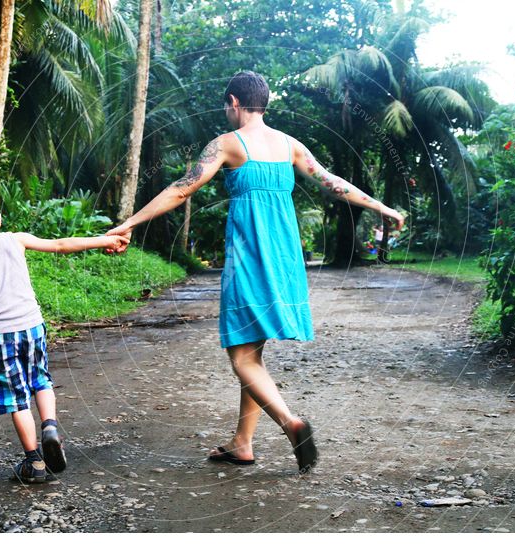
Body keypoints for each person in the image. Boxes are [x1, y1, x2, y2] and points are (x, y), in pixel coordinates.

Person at [107, 71, 404, 473]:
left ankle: (291, 423)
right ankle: (242, 443)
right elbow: (333, 183)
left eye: (225, 105)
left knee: (242, 356)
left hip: (249, 258)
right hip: (284, 258)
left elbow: (181, 188)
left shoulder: (227, 144)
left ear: (233, 102)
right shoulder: (290, 145)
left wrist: (128, 223)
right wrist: (381, 207)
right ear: (263, 102)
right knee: (254, 347)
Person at [0, 190, 129, 483]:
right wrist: (107, 240)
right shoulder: (15, 239)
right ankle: (51, 427)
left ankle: (35, 463)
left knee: (16, 398)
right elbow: (61, 244)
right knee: (40, 380)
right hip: (32, 326)